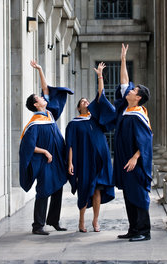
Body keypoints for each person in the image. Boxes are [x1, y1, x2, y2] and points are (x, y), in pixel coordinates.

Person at [19, 60, 74, 235]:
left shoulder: (49, 114)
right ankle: (38, 225)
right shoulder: (33, 124)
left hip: (57, 158)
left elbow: (46, 90)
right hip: (45, 161)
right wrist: (44, 151)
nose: (43, 98)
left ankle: (54, 221)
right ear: (36, 104)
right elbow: (27, 147)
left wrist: (41, 70)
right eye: (40, 98)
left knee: (58, 188)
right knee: (43, 191)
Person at [66, 62, 115, 233]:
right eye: (82, 102)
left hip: (100, 159)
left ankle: (95, 221)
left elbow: (100, 96)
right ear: (79, 107)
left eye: (87, 100)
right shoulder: (73, 124)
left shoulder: (95, 119)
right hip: (84, 160)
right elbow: (70, 144)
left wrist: (100, 75)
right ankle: (81, 221)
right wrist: (70, 163)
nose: (86, 102)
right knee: (84, 190)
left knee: (97, 191)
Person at [114, 44, 153, 242]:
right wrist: (122, 59)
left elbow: (146, 142)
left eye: (134, 89)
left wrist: (135, 157)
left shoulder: (138, 115)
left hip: (134, 162)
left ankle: (144, 231)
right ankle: (133, 228)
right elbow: (124, 81)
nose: (130, 89)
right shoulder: (126, 109)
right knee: (129, 196)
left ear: (137, 98)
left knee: (138, 195)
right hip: (124, 160)